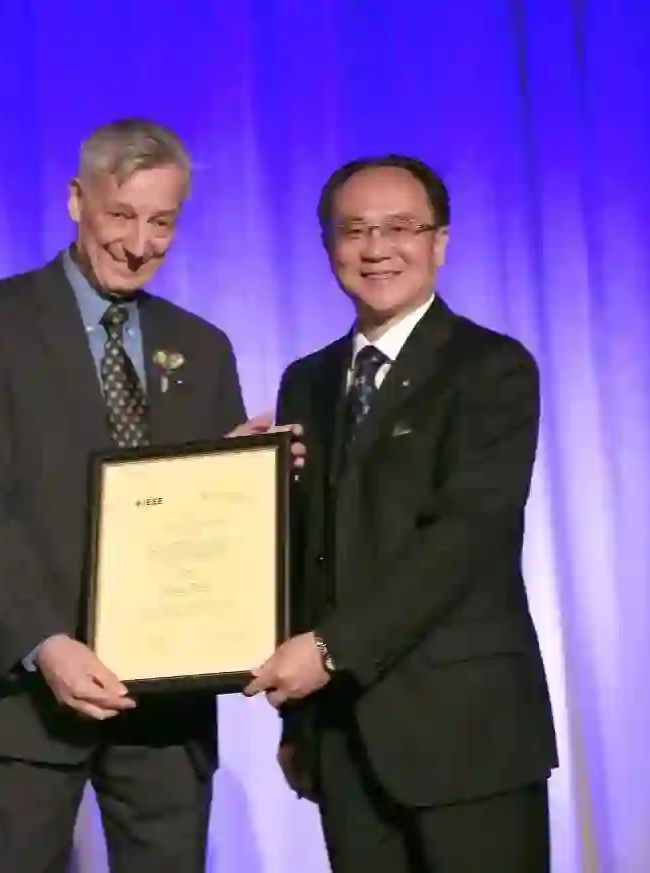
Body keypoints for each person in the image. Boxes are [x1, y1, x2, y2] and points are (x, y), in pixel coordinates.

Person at [0, 119, 286, 873]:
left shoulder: (202, 346)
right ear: (75, 201)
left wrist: (245, 474)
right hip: (21, 692)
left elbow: (203, 520)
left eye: (163, 222)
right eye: (122, 215)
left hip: (167, 704)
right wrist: (45, 643)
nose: (140, 243)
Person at [246, 155, 559, 873]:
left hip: (468, 733)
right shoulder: (307, 380)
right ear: (329, 247)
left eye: (399, 228)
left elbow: (466, 537)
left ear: (439, 242)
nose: (376, 248)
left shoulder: (490, 367)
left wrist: (329, 649)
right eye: (355, 230)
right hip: (344, 738)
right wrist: (237, 481)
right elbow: (306, 551)